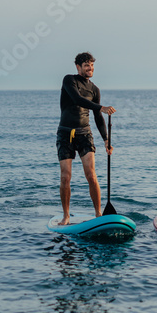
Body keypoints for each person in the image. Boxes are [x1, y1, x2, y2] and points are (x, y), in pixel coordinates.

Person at [56, 52, 115, 226]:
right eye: (86, 65)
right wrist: (101, 107)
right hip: (65, 133)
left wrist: (106, 139)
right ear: (78, 67)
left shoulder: (95, 90)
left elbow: (97, 117)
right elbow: (77, 99)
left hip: (84, 134)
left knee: (91, 175)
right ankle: (66, 216)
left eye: (92, 65)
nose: (90, 69)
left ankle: (98, 214)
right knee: (65, 177)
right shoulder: (69, 80)